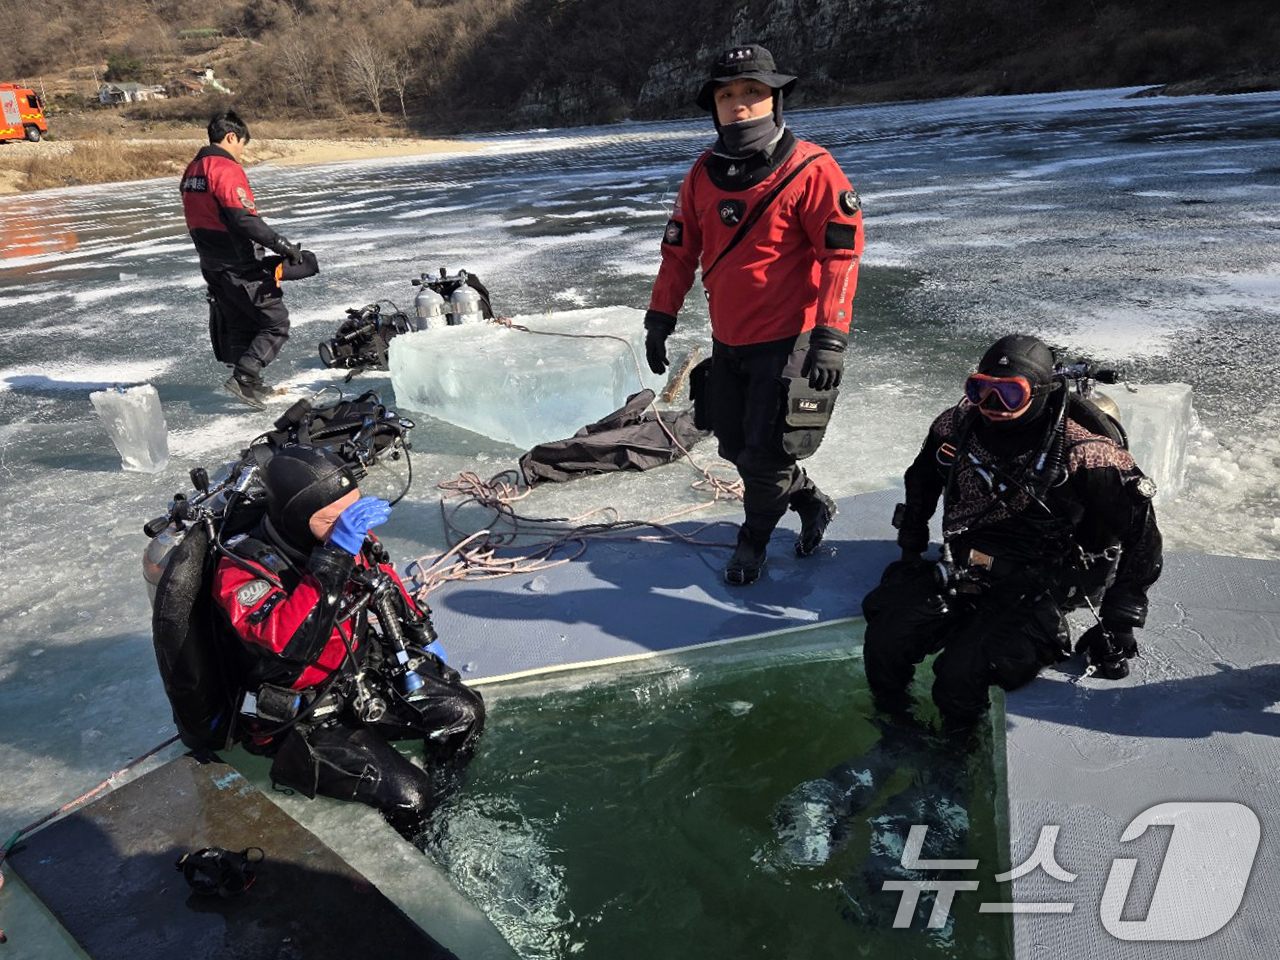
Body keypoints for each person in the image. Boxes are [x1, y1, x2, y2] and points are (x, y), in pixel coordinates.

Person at [862, 335, 1163, 733]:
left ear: (1040, 392)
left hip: (1042, 582)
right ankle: (895, 727)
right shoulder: (956, 427)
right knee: (884, 645)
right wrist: (911, 548)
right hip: (965, 566)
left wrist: (1120, 619)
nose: (990, 405)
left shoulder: (1087, 454)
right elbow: (920, 481)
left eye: (1008, 394)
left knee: (959, 676)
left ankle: (956, 752)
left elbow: (1142, 535)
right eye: (980, 388)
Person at [643, 43, 865, 585]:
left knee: (765, 462)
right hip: (730, 341)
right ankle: (810, 501)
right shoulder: (701, 173)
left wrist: (831, 336)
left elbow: (842, 253)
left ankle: (753, 541)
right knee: (738, 447)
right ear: (714, 106)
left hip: (790, 339)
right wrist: (659, 317)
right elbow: (679, 252)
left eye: (752, 93)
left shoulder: (813, 169)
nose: (739, 105)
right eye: (727, 94)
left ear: (775, 99)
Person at [211, 444, 485, 838]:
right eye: (334, 518)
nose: (350, 525)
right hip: (303, 716)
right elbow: (288, 643)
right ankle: (424, 844)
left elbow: (384, 579)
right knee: (409, 796)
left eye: (353, 510)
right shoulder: (242, 568)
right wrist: (335, 556)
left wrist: (423, 635)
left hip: (356, 677)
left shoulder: (340, 538)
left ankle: (448, 805)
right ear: (297, 519)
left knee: (463, 713)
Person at [181, 110, 316, 409]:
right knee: (276, 322)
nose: (241, 152)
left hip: (211, 261)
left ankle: (249, 385)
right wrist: (281, 245)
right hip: (237, 262)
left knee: (242, 322)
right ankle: (245, 375)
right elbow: (243, 218)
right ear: (231, 137)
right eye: (242, 144)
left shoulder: (192, 171)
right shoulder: (224, 168)